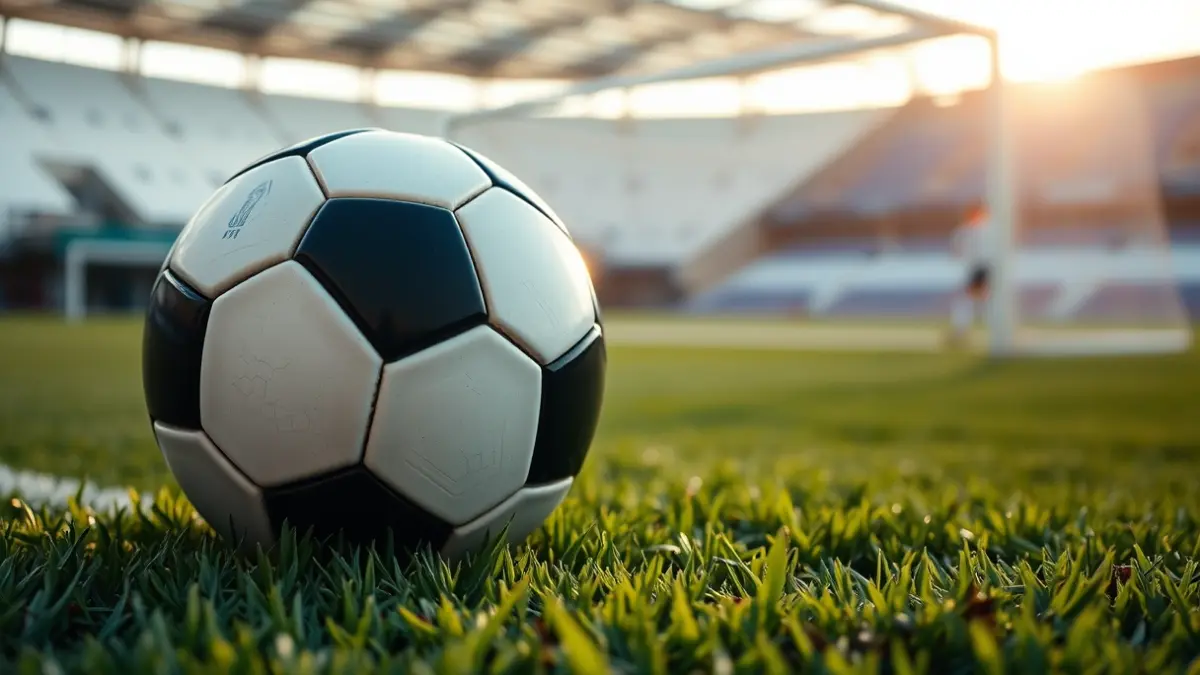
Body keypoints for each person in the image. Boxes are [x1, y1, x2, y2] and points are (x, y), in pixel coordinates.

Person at [948, 204, 990, 347]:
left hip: (982, 268)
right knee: (972, 300)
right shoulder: (966, 231)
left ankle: (961, 331)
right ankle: (961, 331)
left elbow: (956, 251)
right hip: (977, 269)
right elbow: (957, 251)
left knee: (973, 300)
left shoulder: (982, 230)